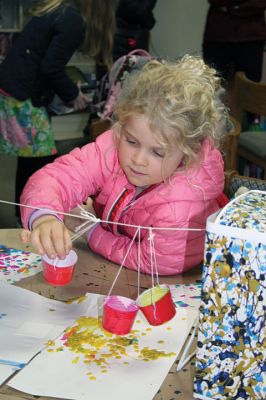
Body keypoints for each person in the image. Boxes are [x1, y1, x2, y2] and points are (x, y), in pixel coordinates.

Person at [20, 55, 226, 276]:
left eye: (157, 152)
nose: (138, 159)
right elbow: (56, 177)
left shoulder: (183, 207)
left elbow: (153, 263)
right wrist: (44, 216)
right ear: (121, 127)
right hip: (116, 266)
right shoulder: (113, 148)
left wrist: (90, 230)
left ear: (188, 153)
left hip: (174, 283)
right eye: (131, 141)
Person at [0, 0, 117, 223]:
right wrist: (73, 94)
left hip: (13, 88)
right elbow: (51, 67)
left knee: (31, 159)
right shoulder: (72, 19)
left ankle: (24, 214)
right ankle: (33, 216)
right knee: (42, 161)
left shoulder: (59, 9)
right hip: (21, 93)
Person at [203, 1, 266, 83]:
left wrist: (230, 8)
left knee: (250, 86)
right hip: (218, 35)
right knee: (212, 84)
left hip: (252, 36)